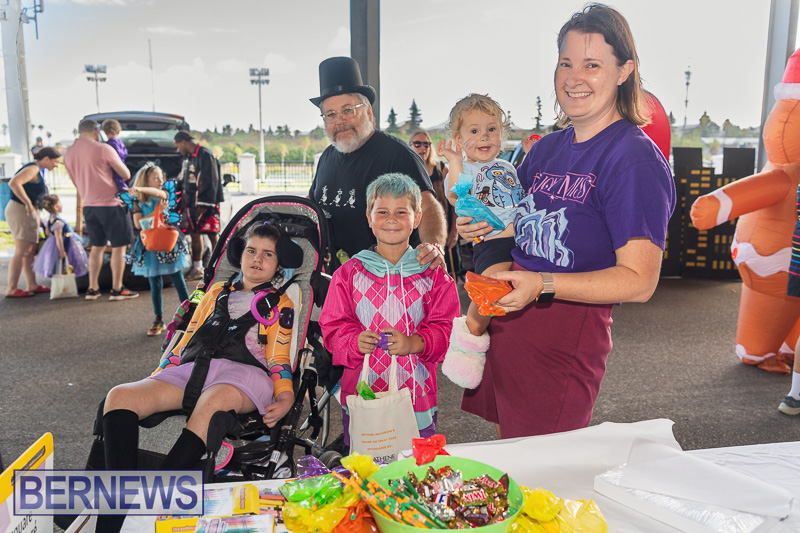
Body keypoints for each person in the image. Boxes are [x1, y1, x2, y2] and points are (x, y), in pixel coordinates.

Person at [457, 4, 676, 439]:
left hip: (564, 335)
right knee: (515, 455)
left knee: (543, 470)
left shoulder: (633, 158)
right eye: (565, 63)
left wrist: (544, 284)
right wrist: (479, 220)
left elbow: (639, 280)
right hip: (510, 318)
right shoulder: (545, 149)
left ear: (623, 71)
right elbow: (510, 220)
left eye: (592, 65)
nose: (574, 78)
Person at [97, 222, 297, 532]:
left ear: (279, 263)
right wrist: (163, 369)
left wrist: (285, 396)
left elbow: (279, 356)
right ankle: (115, 512)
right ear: (239, 254)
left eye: (267, 254)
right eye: (251, 250)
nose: (257, 259)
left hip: (245, 374)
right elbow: (187, 335)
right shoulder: (216, 291)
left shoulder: (281, 303)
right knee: (119, 396)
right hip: (196, 366)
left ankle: (153, 505)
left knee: (213, 402)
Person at [319, 173, 459, 451]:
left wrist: (414, 343)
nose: (391, 219)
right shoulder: (348, 274)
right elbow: (332, 329)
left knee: (415, 468)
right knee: (366, 469)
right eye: (381, 212)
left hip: (416, 397)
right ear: (369, 218)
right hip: (363, 393)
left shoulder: (433, 275)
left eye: (401, 212)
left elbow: (448, 328)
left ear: (417, 219)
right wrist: (353, 342)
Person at [308, 56, 446, 268]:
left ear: (368, 111)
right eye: (331, 114)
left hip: (392, 280)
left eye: (348, 110)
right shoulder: (326, 157)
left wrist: (433, 246)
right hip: (339, 283)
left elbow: (428, 207)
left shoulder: (397, 155)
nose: (340, 121)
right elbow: (311, 204)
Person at [437, 95, 524, 389]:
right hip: (493, 242)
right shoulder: (463, 169)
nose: (484, 137)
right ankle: (470, 333)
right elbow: (457, 196)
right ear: (459, 139)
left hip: (522, 239)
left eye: (491, 129)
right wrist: (455, 161)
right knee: (494, 284)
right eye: (474, 132)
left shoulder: (507, 166)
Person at [64, 118, 138, 301]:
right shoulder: (104, 149)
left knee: (96, 247)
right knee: (119, 248)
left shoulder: (69, 154)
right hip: (112, 205)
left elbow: (76, 183)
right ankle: (117, 289)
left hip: (90, 206)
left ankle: (92, 289)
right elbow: (125, 174)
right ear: (96, 131)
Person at [125, 163, 190, 336]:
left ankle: (190, 313)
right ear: (146, 179)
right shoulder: (138, 201)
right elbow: (138, 223)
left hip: (167, 241)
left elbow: (160, 193)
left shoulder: (163, 195)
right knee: (154, 282)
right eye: (156, 177)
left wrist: (140, 188)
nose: (161, 180)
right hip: (150, 243)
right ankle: (158, 318)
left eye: (161, 176)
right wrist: (156, 212)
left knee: (178, 278)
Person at [4, 147, 61, 298]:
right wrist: (28, 203)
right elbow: (14, 183)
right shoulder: (33, 168)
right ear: (47, 159)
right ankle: (11, 288)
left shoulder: (37, 170)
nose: (56, 165)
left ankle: (32, 284)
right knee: (22, 250)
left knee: (29, 250)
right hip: (21, 209)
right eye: (55, 161)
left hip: (29, 211)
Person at [408, 129, 460, 276]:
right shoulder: (406, 169)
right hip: (415, 230)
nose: (422, 148)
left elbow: (454, 201)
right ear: (410, 146)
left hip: (443, 227)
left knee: (447, 270)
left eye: (426, 144)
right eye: (417, 144)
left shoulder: (441, 169)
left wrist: (454, 230)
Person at [174, 130, 223, 281]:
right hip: (190, 204)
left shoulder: (206, 155)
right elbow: (182, 180)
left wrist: (205, 202)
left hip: (206, 204)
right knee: (195, 233)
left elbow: (211, 180)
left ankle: (220, 267)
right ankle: (198, 268)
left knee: (213, 235)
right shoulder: (188, 158)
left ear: (183, 141)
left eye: (177, 146)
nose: (178, 150)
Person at [33, 194, 89, 280]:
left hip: (54, 243)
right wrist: (62, 251)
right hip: (66, 243)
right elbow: (58, 237)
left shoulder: (50, 219)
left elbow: (48, 232)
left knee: (59, 264)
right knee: (67, 261)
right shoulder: (58, 221)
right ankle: (66, 281)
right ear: (56, 206)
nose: (62, 205)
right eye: (60, 203)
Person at [102, 118, 130, 192]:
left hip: (115, 169)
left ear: (105, 131)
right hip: (122, 165)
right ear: (119, 130)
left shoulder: (109, 144)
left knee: (119, 186)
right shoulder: (120, 142)